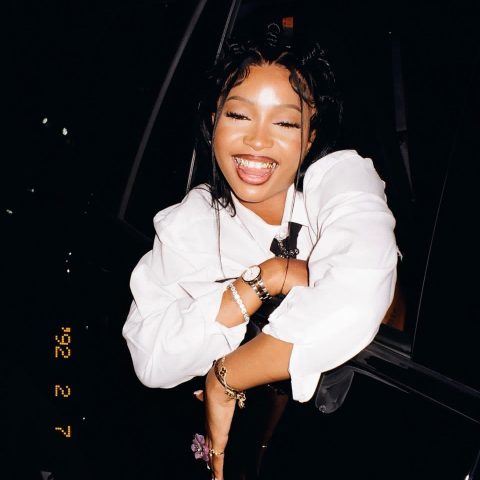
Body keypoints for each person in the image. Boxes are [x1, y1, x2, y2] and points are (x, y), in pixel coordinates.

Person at [122, 23, 398, 480]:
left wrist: (226, 377)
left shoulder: (341, 181)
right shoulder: (193, 221)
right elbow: (152, 360)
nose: (257, 141)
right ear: (214, 120)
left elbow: (359, 290)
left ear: (311, 136)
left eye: (285, 122)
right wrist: (264, 280)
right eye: (239, 115)